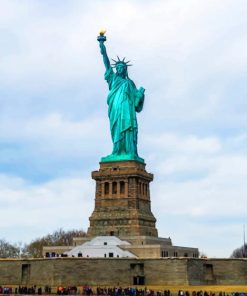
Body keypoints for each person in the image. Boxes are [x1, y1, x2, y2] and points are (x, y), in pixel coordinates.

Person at [99, 39, 145, 163]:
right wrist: (102, 48)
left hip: (128, 111)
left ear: (125, 70)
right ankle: (117, 150)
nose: (119, 69)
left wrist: (140, 95)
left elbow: (137, 101)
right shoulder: (112, 79)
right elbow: (107, 63)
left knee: (128, 129)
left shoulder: (130, 83)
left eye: (122, 67)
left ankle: (130, 152)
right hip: (115, 108)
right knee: (117, 128)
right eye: (118, 67)